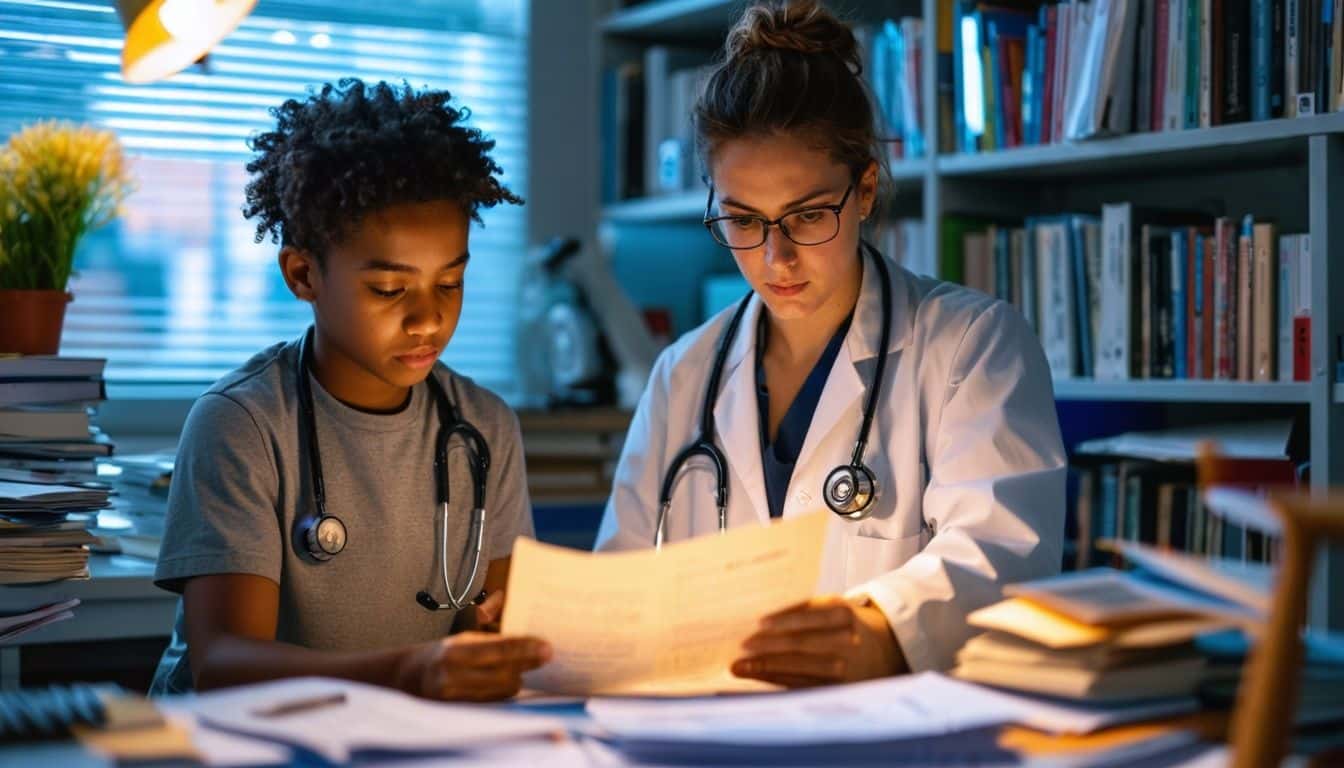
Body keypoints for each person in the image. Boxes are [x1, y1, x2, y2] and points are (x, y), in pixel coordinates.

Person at [596, 0, 1066, 687]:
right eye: (743, 219)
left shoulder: (971, 347)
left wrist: (881, 631)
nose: (776, 258)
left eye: (808, 215)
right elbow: (622, 585)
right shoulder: (683, 374)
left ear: (866, 188)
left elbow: (1001, 552)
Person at [149, 79, 550, 701]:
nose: (428, 319)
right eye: (390, 290)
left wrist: (510, 641)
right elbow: (223, 662)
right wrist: (408, 672)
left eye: (450, 283)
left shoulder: (484, 427)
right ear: (304, 274)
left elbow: (489, 632)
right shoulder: (241, 422)